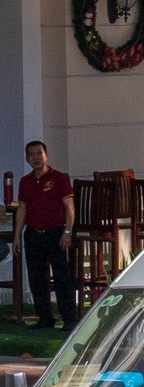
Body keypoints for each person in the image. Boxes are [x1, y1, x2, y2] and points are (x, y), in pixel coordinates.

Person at [14, 141, 75, 332]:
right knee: (36, 278)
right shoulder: (25, 181)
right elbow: (22, 209)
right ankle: (45, 318)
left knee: (61, 277)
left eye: (39, 153)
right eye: (31, 155)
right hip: (33, 234)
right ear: (26, 159)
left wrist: (67, 231)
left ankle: (69, 319)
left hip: (56, 233)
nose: (35, 158)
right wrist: (17, 235)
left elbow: (69, 207)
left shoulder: (60, 178)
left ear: (46, 155)